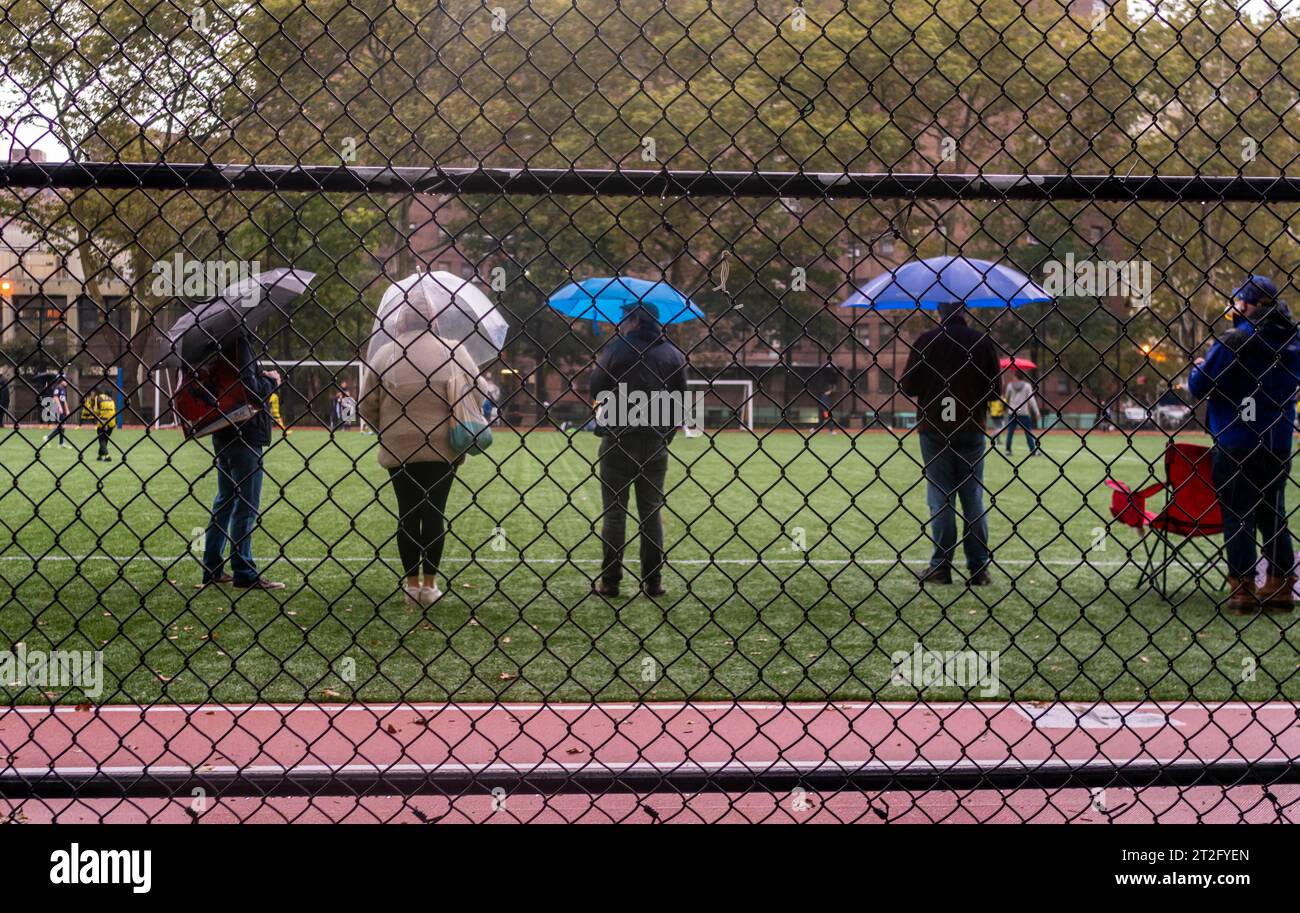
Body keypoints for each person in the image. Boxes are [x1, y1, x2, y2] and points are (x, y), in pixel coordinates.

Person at [1188, 274, 1300, 613]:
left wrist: (1200, 368)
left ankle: (1244, 587)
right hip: (1277, 440)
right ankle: (1281, 583)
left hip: (1237, 439)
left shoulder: (1235, 339)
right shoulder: (1294, 341)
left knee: (1238, 514)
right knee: (1273, 512)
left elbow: (1200, 387)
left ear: (1247, 305)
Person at [359, 298, 481, 608]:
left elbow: (366, 404)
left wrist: (387, 427)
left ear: (401, 321)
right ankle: (430, 585)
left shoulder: (385, 354)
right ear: (435, 319)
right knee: (435, 513)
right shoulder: (453, 350)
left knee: (408, 513)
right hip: (444, 445)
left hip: (400, 446)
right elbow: (479, 391)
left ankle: (411, 585)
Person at [588, 301, 688, 598]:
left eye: (624, 317)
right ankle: (653, 582)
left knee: (615, 513)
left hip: (618, 438)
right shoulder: (672, 353)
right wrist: (664, 435)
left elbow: (596, 388)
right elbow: (681, 400)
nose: (621, 322)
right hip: (654, 441)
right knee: (651, 513)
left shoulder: (617, 349)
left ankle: (611, 582)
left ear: (634, 320)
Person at [900, 301, 1000, 586]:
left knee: (941, 496)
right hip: (970, 425)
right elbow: (994, 391)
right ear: (964, 311)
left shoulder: (926, 341)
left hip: (934, 427)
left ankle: (941, 566)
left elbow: (908, 386)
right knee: (973, 497)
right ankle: (978, 568)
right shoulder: (982, 341)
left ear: (938, 312)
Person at [198, 338, 284, 591]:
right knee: (245, 504)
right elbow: (250, 390)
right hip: (245, 433)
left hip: (221, 430)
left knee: (224, 500)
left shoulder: (213, 345)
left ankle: (212, 566)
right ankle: (244, 571)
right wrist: (271, 380)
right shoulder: (239, 344)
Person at [1002, 369, 1040, 455]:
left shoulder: (1010, 386)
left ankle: (1008, 450)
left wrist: (1005, 408)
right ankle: (1033, 451)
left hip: (1012, 412)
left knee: (1010, 432)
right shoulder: (1027, 386)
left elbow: (1007, 398)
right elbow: (1031, 400)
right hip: (1023, 412)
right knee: (1028, 432)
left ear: (1016, 376)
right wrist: (1036, 412)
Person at [40, 375, 71, 450]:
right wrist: (59, 407)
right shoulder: (57, 388)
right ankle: (47, 437)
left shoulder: (63, 389)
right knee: (61, 426)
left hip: (62, 409)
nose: (66, 381)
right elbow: (55, 397)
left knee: (62, 427)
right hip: (58, 409)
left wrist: (67, 409)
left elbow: (64, 400)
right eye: (65, 380)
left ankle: (61, 443)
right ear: (61, 380)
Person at [92, 388, 116, 462]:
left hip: (103, 420)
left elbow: (96, 411)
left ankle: (107, 456)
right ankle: (100, 455)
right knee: (105, 438)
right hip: (112, 422)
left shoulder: (98, 398)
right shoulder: (112, 400)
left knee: (101, 439)